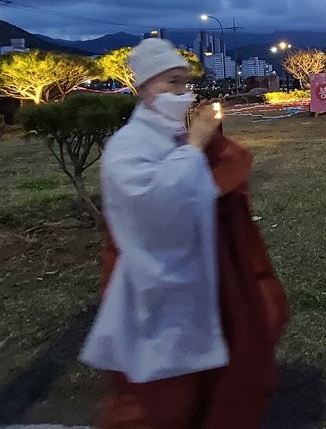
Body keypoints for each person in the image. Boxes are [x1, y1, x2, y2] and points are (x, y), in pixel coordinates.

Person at [80, 38, 287, 429]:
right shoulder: (129, 145)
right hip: (153, 283)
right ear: (143, 88)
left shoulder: (167, 134)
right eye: (172, 83)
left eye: (185, 83)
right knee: (160, 394)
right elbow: (158, 203)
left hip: (192, 275)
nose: (182, 93)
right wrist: (195, 146)